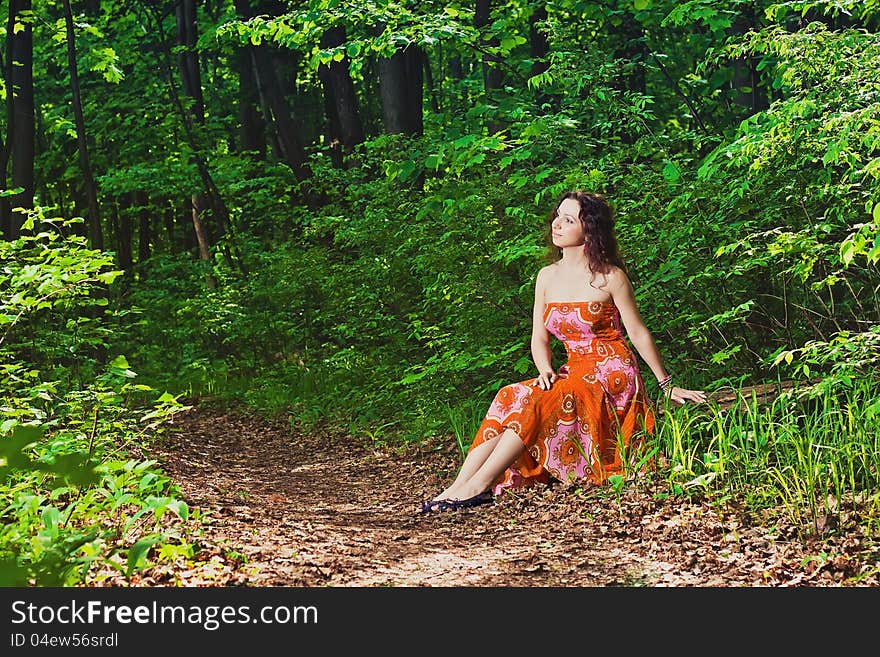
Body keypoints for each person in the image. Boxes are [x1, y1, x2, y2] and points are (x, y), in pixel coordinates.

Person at [419, 191, 707, 514]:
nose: (556, 224)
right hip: (574, 369)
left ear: (589, 230)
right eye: (558, 216)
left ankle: (479, 485)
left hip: (611, 374)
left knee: (542, 400)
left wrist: (666, 384)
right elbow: (538, 338)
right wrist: (544, 368)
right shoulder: (546, 277)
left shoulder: (610, 277)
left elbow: (637, 332)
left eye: (568, 220)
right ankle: (459, 485)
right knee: (509, 395)